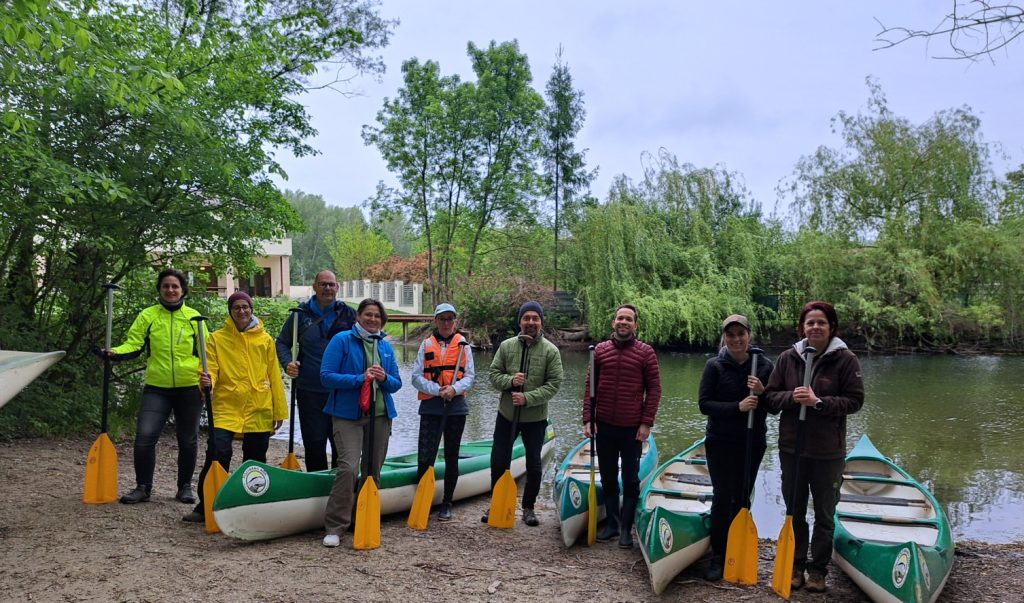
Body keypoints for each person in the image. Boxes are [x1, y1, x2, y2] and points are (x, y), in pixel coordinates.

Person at [764, 301, 865, 593]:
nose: (815, 327)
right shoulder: (788, 358)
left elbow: (855, 401)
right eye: (810, 323)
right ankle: (795, 565)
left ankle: (818, 571)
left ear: (831, 327)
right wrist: (793, 399)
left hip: (827, 452)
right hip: (792, 449)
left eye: (821, 322)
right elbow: (771, 399)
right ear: (802, 328)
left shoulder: (845, 360)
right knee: (794, 510)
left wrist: (819, 402)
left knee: (824, 513)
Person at [182, 291, 288, 523]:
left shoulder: (265, 340)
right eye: (237, 308)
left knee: (255, 458)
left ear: (252, 309)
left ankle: (252, 502)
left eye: (246, 307)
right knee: (218, 453)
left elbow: (275, 377)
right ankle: (206, 504)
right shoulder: (216, 339)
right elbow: (210, 368)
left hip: (259, 407)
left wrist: (279, 411)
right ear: (230, 312)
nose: (242, 311)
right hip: (226, 405)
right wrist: (207, 382)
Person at [106, 268, 202, 505]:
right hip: (157, 387)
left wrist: (209, 379)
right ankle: (143, 487)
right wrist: (113, 352)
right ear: (159, 289)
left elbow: (208, 355)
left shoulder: (194, 318)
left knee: (188, 439)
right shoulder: (147, 316)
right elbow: (133, 345)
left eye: (175, 286)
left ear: (183, 290)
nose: (170, 290)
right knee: (145, 436)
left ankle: (185, 487)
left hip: (190, 387)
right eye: (165, 286)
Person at [697, 314, 775, 580]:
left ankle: (737, 547)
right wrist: (737, 407)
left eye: (740, 334)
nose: (736, 339)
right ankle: (718, 555)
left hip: (752, 442)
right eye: (730, 335)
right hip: (720, 441)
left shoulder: (763, 366)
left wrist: (763, 392)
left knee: (742, 497)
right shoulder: (714, 366)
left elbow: (775, 408)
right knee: (722, 497)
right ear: (724, 338)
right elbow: (704, 404)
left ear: (749, 336)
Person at [319, 298, 402, 547]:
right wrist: (359, 378)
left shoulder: (385, 347)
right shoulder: (342, 340)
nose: (373, 319)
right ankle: (335, 525)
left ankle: (363, 517)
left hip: (380, 416)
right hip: (348, 416)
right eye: (368, 314)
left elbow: (396, 384)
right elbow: (326, 377)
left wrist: (385, 377)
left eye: (377, 316)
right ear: (359, 316)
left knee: (372, 471)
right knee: (347, 467)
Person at [582, 304, 662, 549]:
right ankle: (612, 525)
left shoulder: (646, 353)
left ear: (635, 325)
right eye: (620, 318)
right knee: (607, 477)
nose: (623, 322)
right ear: (613, 323)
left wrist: (646, 423)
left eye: (628, 319)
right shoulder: (600, 351)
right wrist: (588, 418)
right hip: (604, 426)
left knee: (629, 479)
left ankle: (627, 530)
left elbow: (655, 390)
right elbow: (589, 388)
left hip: (631, 429)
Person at [484, 300, 563, 527]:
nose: (530, 322)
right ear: (520, 321)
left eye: (535, 318)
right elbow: (493, 374)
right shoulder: (507, 346)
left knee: (534, 464)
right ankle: (497, 502)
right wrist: (511, 382)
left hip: (535, 418)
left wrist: (527, 397)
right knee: (498, 460)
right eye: (526, 318)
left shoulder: (550, 350)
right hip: (507, 415)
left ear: (540, 322)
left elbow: (554, 384)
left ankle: (528, 507)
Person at [276, 270, 357, 471]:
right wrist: (287, 363)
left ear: (337, 287)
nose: (327, 288)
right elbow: (282, 343)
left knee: (342, 443)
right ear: (314, 287)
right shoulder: (299, 315)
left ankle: (341, 487)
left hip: (341, 391)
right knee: (314, 442)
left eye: (331, 284)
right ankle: (317, 486)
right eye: (323, 284)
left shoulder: (349, 315)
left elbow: (364, 342)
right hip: (309, 390)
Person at [411, 303, 476, 522]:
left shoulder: (464, 346)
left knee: (451, 455)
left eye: (450, 319)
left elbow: (470, 377)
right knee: (425, 456)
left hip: (456, 409)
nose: (446, 323)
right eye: (442, 319)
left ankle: (447, 502)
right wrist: (438, 391)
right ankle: (423, 500)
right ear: (436, 321)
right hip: (431, 407)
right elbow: (416, 377)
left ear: (455, 322)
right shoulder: (425, 344)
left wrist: (454, 389)